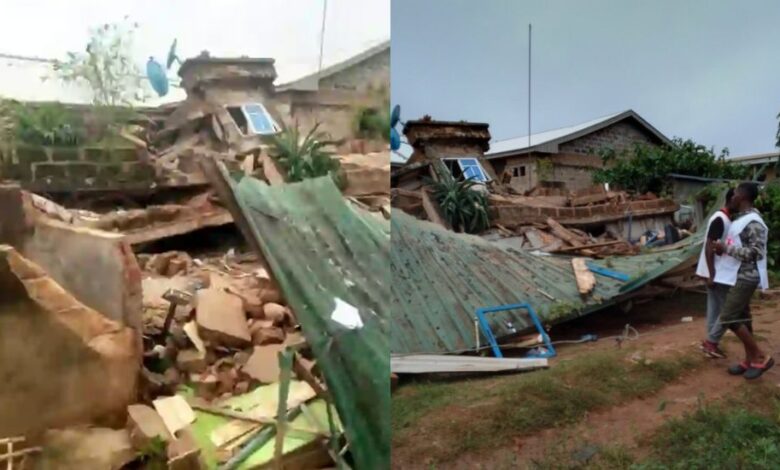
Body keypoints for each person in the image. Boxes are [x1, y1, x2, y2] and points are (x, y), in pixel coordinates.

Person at [712, 182, 772, 379]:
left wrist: (725, 249)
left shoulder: (754, 222)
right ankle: (749, 360)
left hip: (747, 276)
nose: (732, 197)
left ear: (743, 197)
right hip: (737, 274)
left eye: (735, 193)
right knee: (744, 318)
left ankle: (760, 356)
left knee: (729, 316)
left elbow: (756, 253)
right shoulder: (742, 219)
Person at [696, 188, 735, 358]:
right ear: (732, 199)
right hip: (716, 272)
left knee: (714, 308)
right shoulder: (720, 219)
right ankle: (711, 342)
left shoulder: (724, 218)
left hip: (713, 271)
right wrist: (712, 274)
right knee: (728, 309)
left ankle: (711, 344)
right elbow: (709, 246)